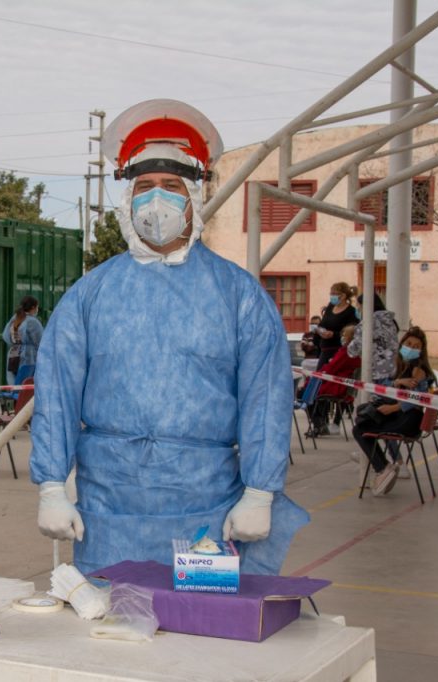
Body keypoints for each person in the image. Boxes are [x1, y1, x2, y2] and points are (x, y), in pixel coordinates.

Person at [30, 99, 308, 576]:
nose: (156, 200)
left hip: (207, 503)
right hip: (108, 505)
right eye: (144, 187)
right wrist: (52, 486)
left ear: (195, 197)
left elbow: (266, 398)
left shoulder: (238, 294)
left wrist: (261, 491)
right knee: (112, 630)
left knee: (199, 636)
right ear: (127, 199)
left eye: (171, 186)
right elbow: (56, 393)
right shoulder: (90, 295)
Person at [351, 327, 435, 496]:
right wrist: (397, 383)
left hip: (409, 420)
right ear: (402, 343)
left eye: (416, 346)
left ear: (421, 350)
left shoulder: (420, 371)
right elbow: (379, 388)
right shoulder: (394, 366)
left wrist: (394, 408)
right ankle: (383, 466)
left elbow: (418, 399)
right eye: (409, 343)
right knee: (362, 422)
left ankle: (382, 467)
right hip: (397, 415)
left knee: (361, 429)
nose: (411, 348)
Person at [308, 324, 360, 435]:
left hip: (336, 386)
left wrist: (320, 373)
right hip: (342, 385)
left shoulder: (345, 352)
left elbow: (332, 368)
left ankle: (318, 424)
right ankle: (320, 423)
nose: (342, 337)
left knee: (306, 392)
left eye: (344, 335)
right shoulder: (356, 352)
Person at [2, 295, 44, 385]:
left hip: (13, 354)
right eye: (37, 307)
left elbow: (5, 336)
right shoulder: (32, 322)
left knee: (14, 385)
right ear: (33, 308)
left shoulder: (15, 318)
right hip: (28, 357)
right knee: (25, 387)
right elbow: (41, 342)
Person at [316, 282, 358, 370]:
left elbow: (350, 333)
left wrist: (333, 334)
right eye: (331, 294)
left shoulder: (351, 311)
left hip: (338, 350)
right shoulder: (330, 307)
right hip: (324, 348)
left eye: (334, 294)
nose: (331, 296)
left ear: (343, 296)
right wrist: (320, 331)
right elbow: (322, 323)